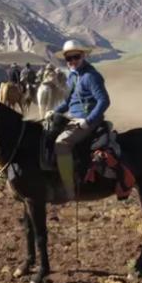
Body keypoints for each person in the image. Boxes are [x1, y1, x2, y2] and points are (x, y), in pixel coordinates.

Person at [44, 40, 111, 204]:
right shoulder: (72, 76)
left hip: (88, 120)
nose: (72, 61)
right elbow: (68, 103)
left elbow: (104, 101)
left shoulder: (91, 76)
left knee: (62, 143)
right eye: (69, 58)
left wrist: (87, 121)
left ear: (83, 55)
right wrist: (55, 111)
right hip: (72, 118)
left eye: (76, 57)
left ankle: (68, 189)